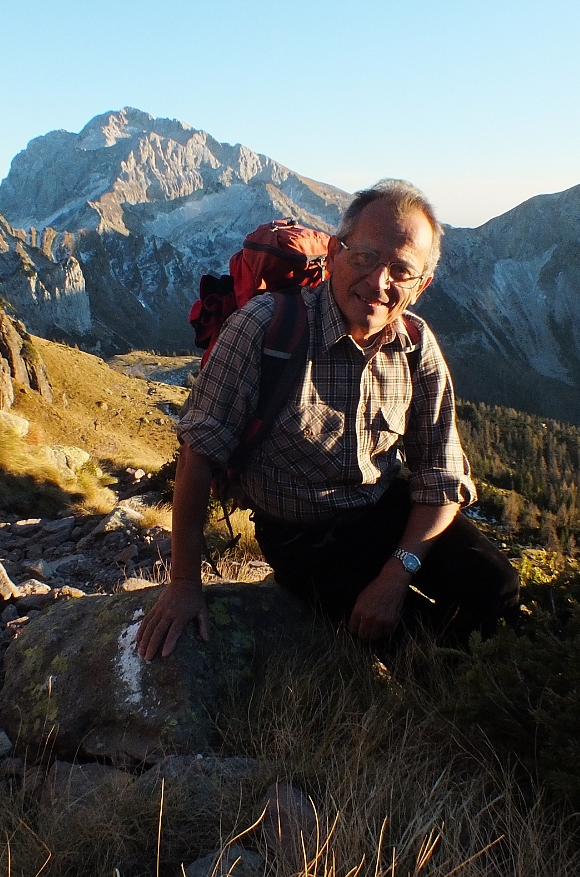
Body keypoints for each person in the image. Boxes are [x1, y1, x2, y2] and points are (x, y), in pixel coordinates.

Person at [135, 180, 519, 660]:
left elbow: (440, 479)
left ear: (421, 286)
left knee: (497, 588)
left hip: (382, 508)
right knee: (408, 642)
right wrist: (184, 586)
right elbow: (199, 457)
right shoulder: (264, 327)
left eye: (400, 270)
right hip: (302, 537)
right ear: (336, 252)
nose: (378, 282)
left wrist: (396, 574)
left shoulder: (417, 347)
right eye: (364, 257)